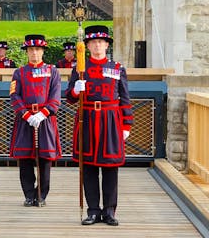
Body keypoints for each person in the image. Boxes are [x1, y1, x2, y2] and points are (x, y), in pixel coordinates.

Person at [65, 25, 132, 226]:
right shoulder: (80, 69)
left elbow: (125, 98)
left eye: (101, 42)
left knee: (110, 167)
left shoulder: (117, 68)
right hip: (87, 119)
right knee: (89, 167)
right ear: (87, 46)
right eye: (93, 42)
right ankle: (93, 210)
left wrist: (126, 124)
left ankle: (110, 210)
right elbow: (69, 98)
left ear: (106, 45)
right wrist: (76, 90)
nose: (97, 46)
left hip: (111, 119)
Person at [9, 34, 62, 207]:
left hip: (45, 120)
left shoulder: (52, 71)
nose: (34, 53)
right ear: (27, 52)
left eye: (37, 49)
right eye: (31, 50)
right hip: (25, 120)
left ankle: (41, 194)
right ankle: (28, 194)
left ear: (43, 51)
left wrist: (43, 113)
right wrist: (26, 115)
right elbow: (14, 96)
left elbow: (55, 97)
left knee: (45, 159)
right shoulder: (20, 72)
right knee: (24, 159)